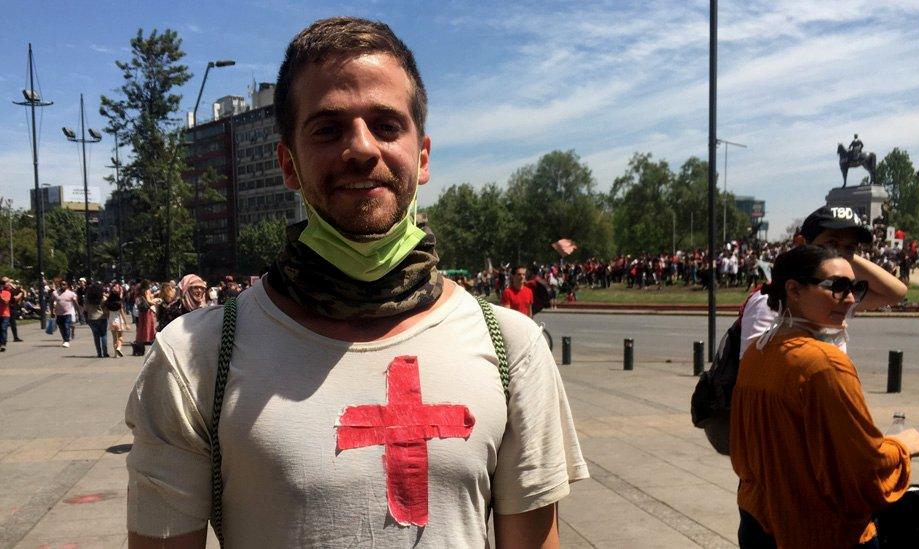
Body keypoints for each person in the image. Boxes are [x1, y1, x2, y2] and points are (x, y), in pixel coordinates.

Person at [125, 17, 587, 548]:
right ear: (288, 164)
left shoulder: (512, 347)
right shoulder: (193, 357)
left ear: (424, 156)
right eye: (328, 129)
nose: (362, 148)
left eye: (387, 125)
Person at [731, 245, 919, 549]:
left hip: (760, 522)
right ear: (794, 290)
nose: (849, 299)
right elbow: (863, 468)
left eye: (854, 288)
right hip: (820, 531)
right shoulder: (825, 363)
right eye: (836, 287)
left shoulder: (758, 352)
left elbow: (744, 455)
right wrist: (903, 447)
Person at [739, 205, 907, 358]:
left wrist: (842, 256)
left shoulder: (837, 295)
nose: (849, 299)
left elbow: (895, 293)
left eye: (850, 247)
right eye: (831, 243)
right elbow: (752, 369)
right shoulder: (770, 301)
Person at [52, 281, 81, 348]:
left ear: (67, 286)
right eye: (61, 284)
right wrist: (51, 311)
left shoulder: (71, 294)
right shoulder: (55, 293)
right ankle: (65, 339)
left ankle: (67, 341)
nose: (62, 286)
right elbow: (51, 302)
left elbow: (76, 303)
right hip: (58, 314)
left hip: (68, 313)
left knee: (66, 326)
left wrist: (79, 312)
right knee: (61, 327)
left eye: (64, 284)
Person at [84, 283, 110, 358]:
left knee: (96, 336)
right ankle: (105, 352)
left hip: (92, 318)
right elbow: (106, 307)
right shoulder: (103, 298)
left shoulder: (87, 299)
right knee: (104, 334)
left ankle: (99, 353)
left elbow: (85, 309)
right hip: (102, 318)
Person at [133, 280, 157, 356]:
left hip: (141, 311)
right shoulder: (147, 291)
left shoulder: (139, 292)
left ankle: (140, 339)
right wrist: (156, 301)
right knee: (149, 325)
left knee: (141, 326)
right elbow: (149, 301)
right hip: (147, 311)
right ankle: (148, 339)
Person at [106, 283, 129, 358]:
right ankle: (119, 348)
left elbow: (106, 313)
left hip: (111, 322)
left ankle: (116, 354)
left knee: (114, 339)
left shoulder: (108, 304)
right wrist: (126, 324)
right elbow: (123, 314)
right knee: (120, 337)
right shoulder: (119, 304)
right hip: (119, 322)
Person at [0, 277, 11, 352]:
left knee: (3, 328)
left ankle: (3, 344)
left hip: (5, 314)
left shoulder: (7, 293)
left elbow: (6, 302)